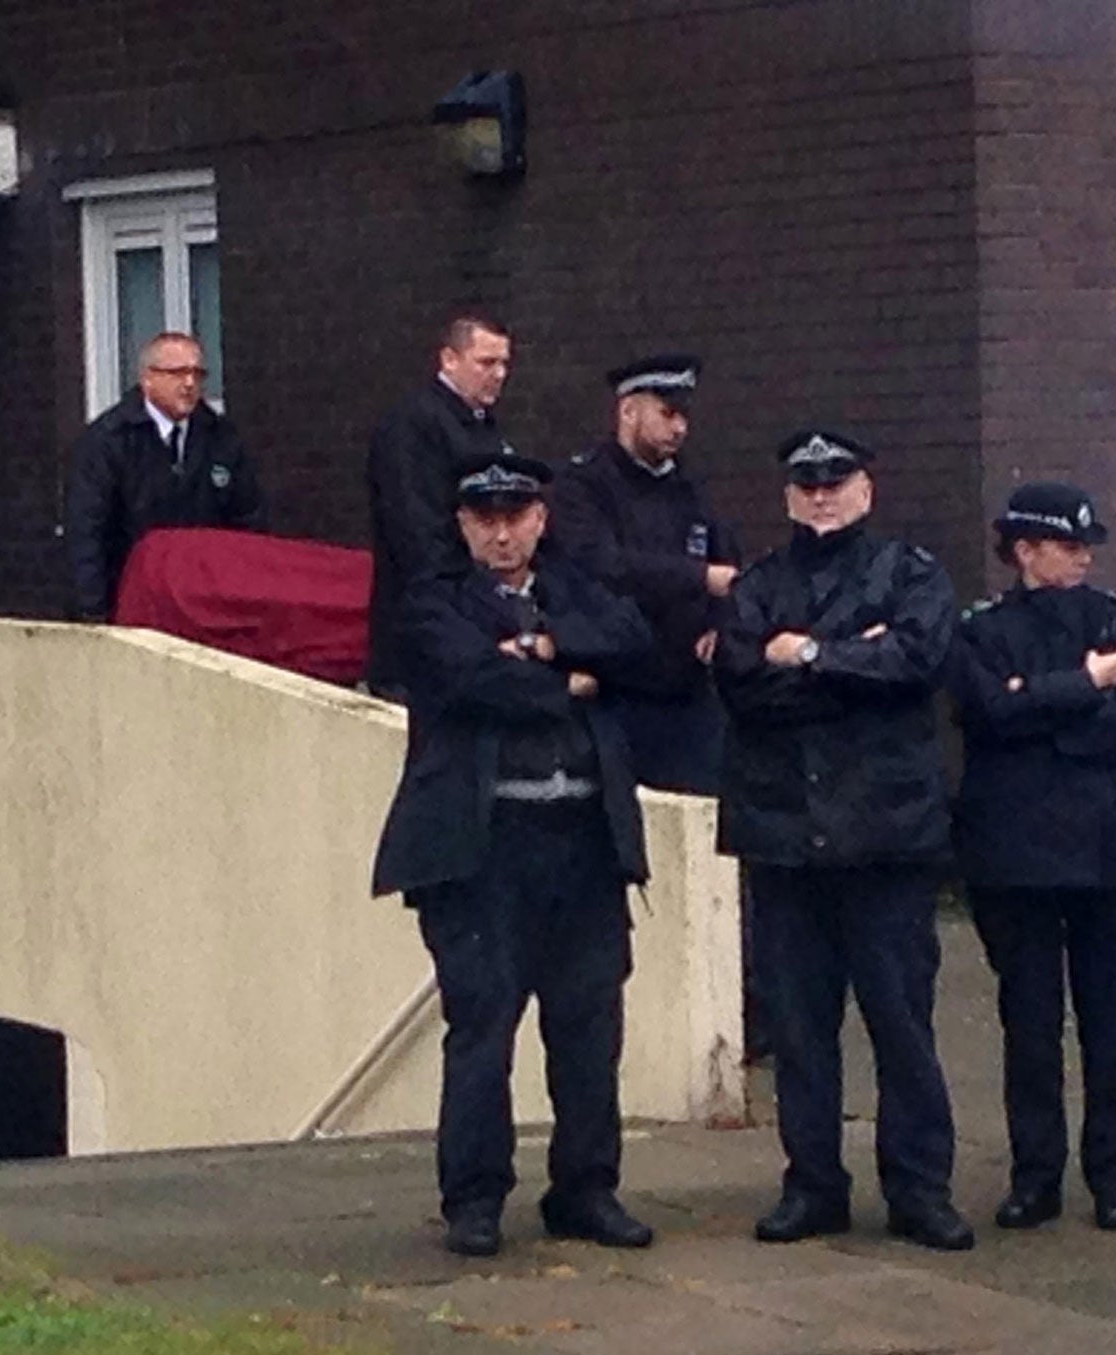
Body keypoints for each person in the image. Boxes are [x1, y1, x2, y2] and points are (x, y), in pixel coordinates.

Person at [371, 453, 657, 1259]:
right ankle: (473, 1198)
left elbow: (634, 644)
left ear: (539, 520)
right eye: (484, 519)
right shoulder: (434, 602)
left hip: (582, 845)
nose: (501, 533)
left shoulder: (574, 594)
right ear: (464, 526)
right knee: (482, 1028)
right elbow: (471, 682)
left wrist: (545, 643)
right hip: (483, 853)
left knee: (589, 1029)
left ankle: (587, 1187)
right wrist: (569, 680)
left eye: (516, 516)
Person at [712, 428, 972, 1252]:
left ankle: (919, 1189)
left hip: (886, 840)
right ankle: (812, 1185)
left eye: (837, 480)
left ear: (868, 487)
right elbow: (744, 685)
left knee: (902, 1026)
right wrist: (851, 666)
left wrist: (813, 656)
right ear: (788, 494)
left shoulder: (913, 574)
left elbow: (918, 662)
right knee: (798, 1032)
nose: (821, 494)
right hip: (787, 839)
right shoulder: (758, 585)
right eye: (806, 482)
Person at [948, 483, 1116, 1233]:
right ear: (1024, 551)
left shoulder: (1114, 621)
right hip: (1016, 858)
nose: (1081, 557)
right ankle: (1034, 1177)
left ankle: (1114, 1178)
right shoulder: (984, 631)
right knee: (1030, 1027)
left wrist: (1048, 720)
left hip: (1109, 858)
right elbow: (988, 712)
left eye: (1085, 546)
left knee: (1112, 1029)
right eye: (1067, 545)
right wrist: (1082, 688)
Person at [548, 353, 742, 794]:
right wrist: (698, 578)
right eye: (668, 414)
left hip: (686, 690)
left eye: (685, 417)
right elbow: (601, 563)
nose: (680, 429)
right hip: (616, 689)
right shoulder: (585, 484)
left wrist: (718, 622)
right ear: (628, 410)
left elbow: (729, 562)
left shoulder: (692, 486)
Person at [63, 332, 264, 622]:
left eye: (197, 373)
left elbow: (249, 523)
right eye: (177, 373)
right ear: (147, 379)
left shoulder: (221, 438)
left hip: (205, 608)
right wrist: (94, 617)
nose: (189, 384)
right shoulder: (107, 441)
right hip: (132, 606)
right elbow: (86, 534)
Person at [365, 315, 517, 700]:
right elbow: (417, 533)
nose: (499, 374)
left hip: (470, 626)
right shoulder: (413, 425)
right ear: (449, 359)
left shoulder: (481, 426)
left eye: (504, 363)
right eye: (486, 363)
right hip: (422, 642)